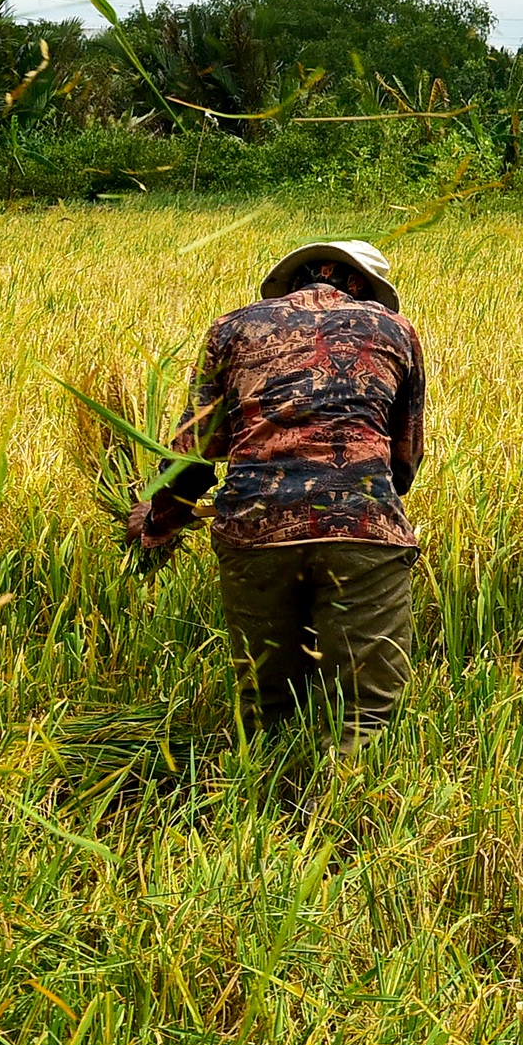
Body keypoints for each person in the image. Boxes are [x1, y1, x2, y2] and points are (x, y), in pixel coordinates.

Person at [134, 237, 429, 729]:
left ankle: (265, 797)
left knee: (268, 708)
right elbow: (405, 461)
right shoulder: (396, 331)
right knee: (366, 715)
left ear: (294, 280)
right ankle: (348, 798)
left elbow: (192, 456)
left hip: (253, 531)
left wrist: (159, 522)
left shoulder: (232, 329)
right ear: (363, 288)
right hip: (363, 529)